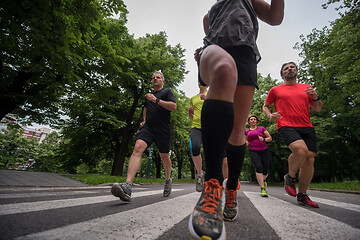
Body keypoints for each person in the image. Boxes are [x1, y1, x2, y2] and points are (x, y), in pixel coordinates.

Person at [188, 1, 284, 239]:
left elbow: (275, 17)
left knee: (237, 133)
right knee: (223, 68)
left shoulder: (250, 1)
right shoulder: (212, 11)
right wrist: (203, 56)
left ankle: (231, 190)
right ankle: (212, 187)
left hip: (245, 53)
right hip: (215, 49)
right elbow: (209, 30)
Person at [263, 62, 323, 208]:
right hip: (286, 124)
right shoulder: (275, 90)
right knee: (300, 150)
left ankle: (302, 194)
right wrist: (270, 115)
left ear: (296, 71)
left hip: (306, 125)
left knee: (309, 158)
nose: (290, 69)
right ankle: (290, 177)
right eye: (286, 68)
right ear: (282, 74)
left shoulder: (306, 87)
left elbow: (318, 108)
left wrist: (315, 97)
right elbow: (265, 106)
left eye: (292, 67)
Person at [111, 71, 176, 201]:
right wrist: (144, 120)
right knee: (137, 148)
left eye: (158, 77)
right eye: (153, 78)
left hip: (163, 129)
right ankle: (128, 186)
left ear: (162, 81)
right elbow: (145, 109)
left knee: (164, 156)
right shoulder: (148, 96)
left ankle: (168, 179)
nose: (155, 79)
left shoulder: (167, 92)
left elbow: (173, 107)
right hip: (149, 128)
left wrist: (156, 100)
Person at [189, 82, 229, 192]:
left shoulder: (215, 94)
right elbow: (193, 116)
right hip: (196, 127)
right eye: (199, 81)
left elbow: (222, 109)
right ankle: (200, 174)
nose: (201, 83)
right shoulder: (193, 98)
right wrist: (190, 114)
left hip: (213, 127)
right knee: (195, 147)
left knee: (222, 159)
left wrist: (209, 99)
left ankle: (226, 183)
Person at [245, 115, 272, 197]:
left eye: (254, 119)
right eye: (251, 119)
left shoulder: (261, 129)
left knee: (265, 171)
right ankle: (262, 188)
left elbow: (270, 138)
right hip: (253, 151)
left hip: (264, 150)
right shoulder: (246, 131)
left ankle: (261, 181)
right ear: (249, 122)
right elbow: (246, 141)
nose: (253, 121)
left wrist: (263, 139)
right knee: (258, 167)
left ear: (257, 121)